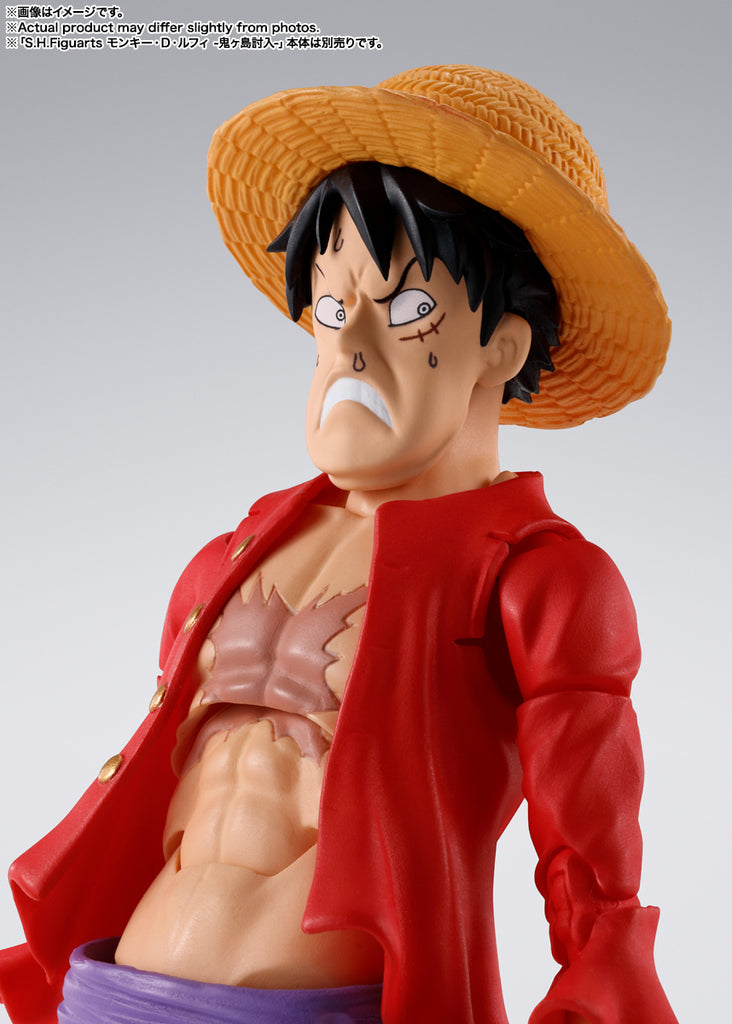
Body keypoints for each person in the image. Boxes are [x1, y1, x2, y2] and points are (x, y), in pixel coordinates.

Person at [0, 65, 678, 1024]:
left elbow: (591, 852)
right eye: (330, 305)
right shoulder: (226, 558)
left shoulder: (539, 577)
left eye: (406, 310)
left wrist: (601, 975)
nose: (352, 342)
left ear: (503, 345)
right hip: (113, 991)